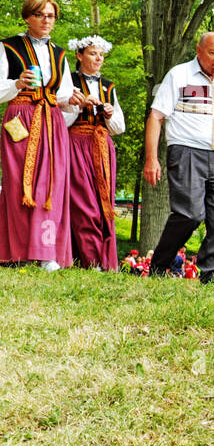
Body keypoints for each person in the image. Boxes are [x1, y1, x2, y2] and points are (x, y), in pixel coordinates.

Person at [144, 32, 214, 287]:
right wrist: (151, 159)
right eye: (213, 52)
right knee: (190, 214)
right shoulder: (179, 74)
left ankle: (212, 272)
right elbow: (156, 117)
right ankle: (160, 263)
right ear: (199, 51)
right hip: (186, 150)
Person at [0, 0, 88, 270]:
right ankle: (18, 251)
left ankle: (46, 251)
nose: (46, 20)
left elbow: (61, 96)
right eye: (40, 15)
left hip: (51, 120)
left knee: (50, 183)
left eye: (51, 15)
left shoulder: (59, 54)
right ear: (27, 17)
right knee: (18, 184)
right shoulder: (7, 47)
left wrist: (71, 101)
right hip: (20, 117)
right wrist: (16, 83)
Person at [62, 35, 124, 271]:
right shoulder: (69, 82)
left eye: (101, 54)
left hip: (101, 145)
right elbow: (62, 119)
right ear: (79, 56)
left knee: (102, 204)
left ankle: (105, 261)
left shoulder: (108, 86)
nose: (98, 58)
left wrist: (109, 114)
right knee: (82, 203)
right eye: (92, 53)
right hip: (76, 143)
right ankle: (89, 259)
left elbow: (119, 127)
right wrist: (79, 105)